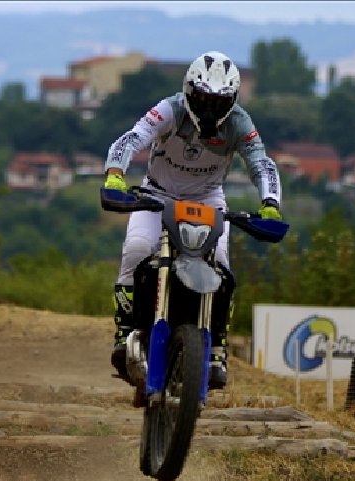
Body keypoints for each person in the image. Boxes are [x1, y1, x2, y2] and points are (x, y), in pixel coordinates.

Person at [102, 50, 283, 390]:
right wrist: (115, 174)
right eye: (203, 99)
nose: (210, 109)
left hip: (207, 200)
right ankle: (125, 329)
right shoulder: (170, 109)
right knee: (138, 249)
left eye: (219, 101)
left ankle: (216, 348)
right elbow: (133, 137)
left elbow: (261, 163)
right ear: (188, 90)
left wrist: (270, 203)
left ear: (232, 99)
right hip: (157, 195)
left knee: (223, 267)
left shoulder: (240, 123)